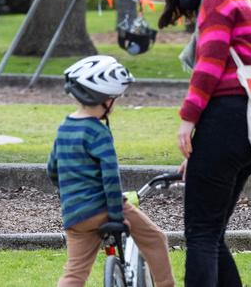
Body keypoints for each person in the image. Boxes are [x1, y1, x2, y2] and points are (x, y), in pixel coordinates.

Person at [158, 0, 251, 286]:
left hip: (227, 117)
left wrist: (188, 122)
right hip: (250, 124)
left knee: (201, 235)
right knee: (213, 234)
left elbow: (210, 65)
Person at [47, 56, 174, 287]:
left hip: (74, 215)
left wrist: (69, 196)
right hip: (103, 208)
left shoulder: (65, 128)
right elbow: (110, 179)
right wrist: (116, 215)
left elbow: (52, 170)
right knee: (156, 239)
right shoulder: (98, 132)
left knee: (75, 273)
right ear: (105, 99)